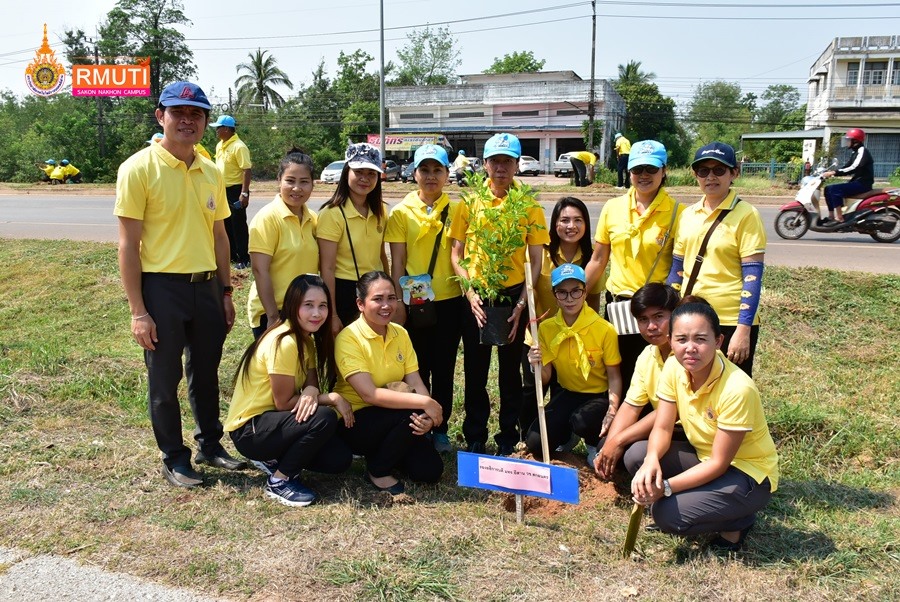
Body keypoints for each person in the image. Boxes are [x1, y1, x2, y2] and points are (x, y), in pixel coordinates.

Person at [114, 81, 245, 489]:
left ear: (206, 121)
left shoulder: (211, 170)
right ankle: (174, 457)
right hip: (161, 289)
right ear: (161, 116)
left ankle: (210, 444)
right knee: (164, 379)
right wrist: (138, 311)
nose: (188, 121)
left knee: (206, 372)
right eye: (179, 113)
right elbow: (128, 245)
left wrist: (225, 291)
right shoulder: (138, 168)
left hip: (206, 288)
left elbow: (220, 236)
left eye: (196, 114)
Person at [628, 300, 778, 551]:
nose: (690, 348)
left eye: (700, 339)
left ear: (718, 341)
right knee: (637, 456)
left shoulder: (737, 389)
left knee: (666, 514)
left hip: (745, 473)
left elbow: (719, 463)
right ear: (670, 341)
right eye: (681, 339)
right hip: (703, 458)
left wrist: (666, 488)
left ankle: (740, 520)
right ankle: (702, 502)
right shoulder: (674, 367)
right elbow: (663, 428)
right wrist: (651, 460)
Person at [449, 132, 550, 456]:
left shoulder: (529, 206)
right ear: (485, 165)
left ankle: (508, 434)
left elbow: (536, 260)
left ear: (517, 165)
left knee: (509, 372)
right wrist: (470, 294)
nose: (501, 168)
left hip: (513, 296)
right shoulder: (469, 203)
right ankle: (475, 433)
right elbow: (457, 254)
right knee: (475, 371)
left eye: (508, 161)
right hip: (477, 295)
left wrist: (521, 303)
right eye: (495, 161)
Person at [225, 275, 354, 507]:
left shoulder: (305, 340)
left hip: (275, 421)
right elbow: (284, 403)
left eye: (323, 306)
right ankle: (279, 481)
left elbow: (311, 386)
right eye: (308, 305)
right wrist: (332, 397)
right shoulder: (284, 342)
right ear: (293, 305)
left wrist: (312, 391)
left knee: (338, 459)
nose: (317, 313)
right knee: (323, 417)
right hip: (250, 430)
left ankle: (272, 458)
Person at [334, 271, 445, 493]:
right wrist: (425, 404)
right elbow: (369, 394)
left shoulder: (400, 333)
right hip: (355, 420)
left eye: (391, 298)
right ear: (360, 304)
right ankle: (378, 470)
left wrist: (426, 416)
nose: (386, 306)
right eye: (378, 299)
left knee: (430, 471)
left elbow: (415, 380)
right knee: (408, 412)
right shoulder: (348, 338)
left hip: (394, 418)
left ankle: (386, 452)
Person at [585, 140, 681, 390]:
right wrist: (576, 295)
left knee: (659, 375)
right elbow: (598, 260)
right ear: (629, 172)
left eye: (651, 169)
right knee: (622, 371)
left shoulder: (678, 213)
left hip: (657, 310)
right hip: (619, 307)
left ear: (664, 170)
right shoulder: (612, 208)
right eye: (637, 169)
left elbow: (681, 266)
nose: (644, 175)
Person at [386, 144, 462, 453]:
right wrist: (397, 302)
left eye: (437, 170)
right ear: (414, 173)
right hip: (414, 303)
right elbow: (398, 261)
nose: (431, 176)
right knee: (416, 366)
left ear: (447, 174)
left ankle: (440, 427)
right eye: (424, 170)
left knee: (444, 367)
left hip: (450, 301)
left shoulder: (458, 211)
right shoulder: (401, 213)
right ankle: (418, 423)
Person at [667, 141, 766, 376]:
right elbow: (677, 271)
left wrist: (743, 329)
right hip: (691, 317)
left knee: (731, 388)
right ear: (695, 175)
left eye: (719, 170)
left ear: (734, 173)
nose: (710, 177)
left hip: (729, 320)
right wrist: (671, 317)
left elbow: (752, 277)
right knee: (691, 385)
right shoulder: (687, 215)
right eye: (703, 171)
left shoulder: (747, 215)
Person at [521, 196, 602, 437]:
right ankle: (526, 435)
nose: (571, 226)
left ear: (586, 224)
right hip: (541, 336)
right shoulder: (541, 253)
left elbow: (593, 300)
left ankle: (559, 437)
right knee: (532, 388)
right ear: (554, 223)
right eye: (564, 220)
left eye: (578, 220)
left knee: (561, 389)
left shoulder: (592, 258)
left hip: (572, 340)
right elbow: (530, 291)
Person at [525, 264, 621, 465]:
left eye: (575, 291)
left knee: (582, 420)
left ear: (585, 292)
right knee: (535, 442)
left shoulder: (604, 329)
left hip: (598, 394)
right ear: (555, 295)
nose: (569, 299)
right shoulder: (546, 328)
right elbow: (546, 377)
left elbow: (614, 376)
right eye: (562, 292)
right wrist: (535, 364)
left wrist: (612, 410)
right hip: (567, 392)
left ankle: (594, 442)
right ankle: (568, 435)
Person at [594, 282, 679, 480]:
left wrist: (619, 441)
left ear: (675, 315)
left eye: (659, 317)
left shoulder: (686, 356)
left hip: (688, 431)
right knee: (604, 446)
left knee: (635, 455)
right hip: (662, 427)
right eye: (643, 319)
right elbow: (631, 406)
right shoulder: (647, 355)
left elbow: (670, 410)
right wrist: (610, 444)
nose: (651, 327)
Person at [317, 143, 389, 335]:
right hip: (344, 290)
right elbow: (327, 268)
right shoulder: (331, 214)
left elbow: (381, 255)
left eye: (371, 173)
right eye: (358, 172)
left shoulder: (380, 211)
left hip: (375, 290)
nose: (365, 179)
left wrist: (390, 295)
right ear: (346, 172)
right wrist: (332, 314)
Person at [247, 149, 319, 339]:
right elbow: (259, 270)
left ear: (313, 184)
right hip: (274, 312)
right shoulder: (267, 218)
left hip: (304, 310)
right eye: (290, 181)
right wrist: (273, 317)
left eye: (304, 182)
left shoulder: (313, 219)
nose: (297, 188)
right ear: (279, 180)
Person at [211, 115, 253, 269]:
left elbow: (246, 170)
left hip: (236, 190)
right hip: (222, 190)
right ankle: (233, 256)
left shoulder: (239, 146)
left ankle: (244, 258)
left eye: (219, 128)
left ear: (227, 129)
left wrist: (244, 193)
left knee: (238, 224)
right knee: (226, 223)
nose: (216, 131)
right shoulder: (220, 145)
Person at [821, 128, 874, 223]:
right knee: (828, 189)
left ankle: (840, 217)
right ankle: (831, 216)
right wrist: (832, 172)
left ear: (855, 141)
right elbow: (847, 166)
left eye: (849, 140)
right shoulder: (855, 152)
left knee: (834, 189)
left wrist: (834, 173)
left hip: (863, 184)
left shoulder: (862, 151)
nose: (847, 142)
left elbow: (854, 167)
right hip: (857, 181)